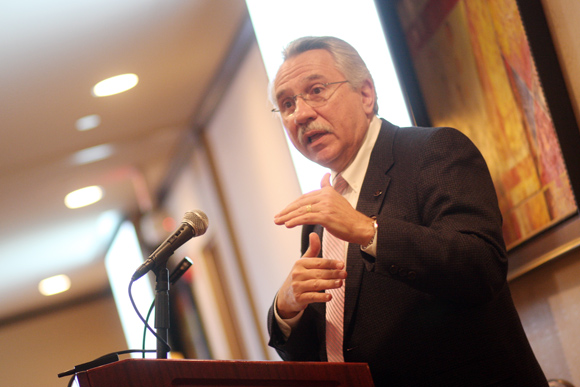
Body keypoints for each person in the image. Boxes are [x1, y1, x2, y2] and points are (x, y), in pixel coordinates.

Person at [267, 36, 548, 387]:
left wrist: (370, 232)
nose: (302, 114)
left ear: (366, 94)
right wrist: (288, 307)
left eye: (317, 90)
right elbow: (334, 346)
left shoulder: (433, 151)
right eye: (287, 104)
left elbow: (482, 265)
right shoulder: (319, 210)